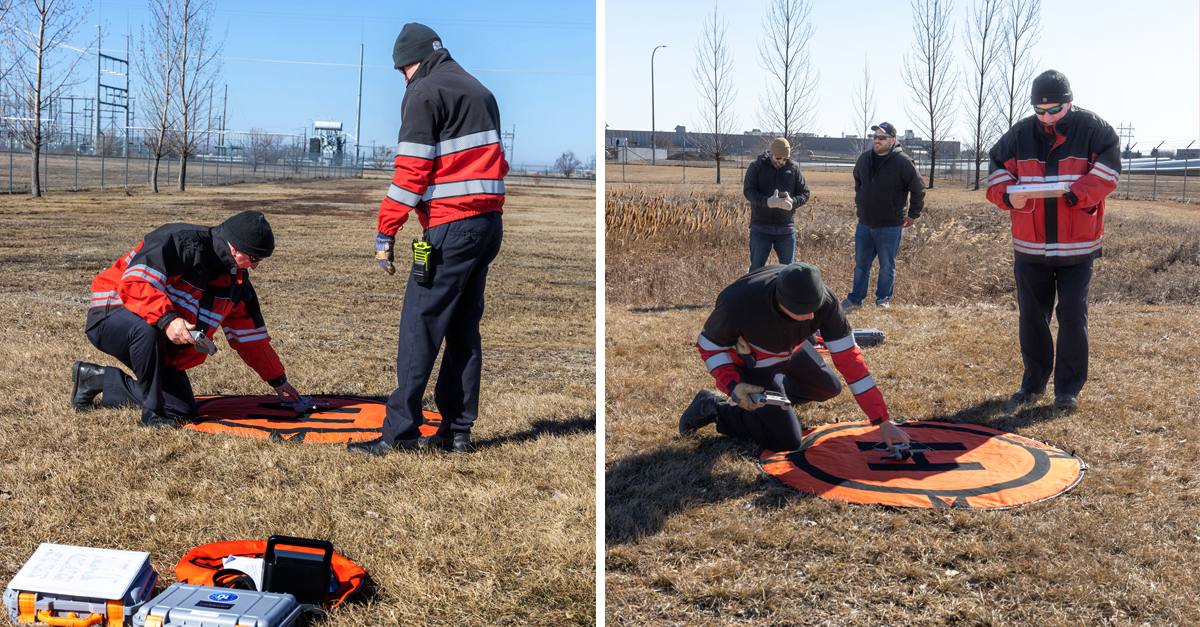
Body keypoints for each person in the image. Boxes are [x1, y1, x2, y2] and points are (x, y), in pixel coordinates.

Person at [353, 22, 508, 455]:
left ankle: (398, 434)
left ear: (412, 61)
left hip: (450, 229)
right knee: (462, 329)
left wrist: (386, 231)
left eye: (401, 69)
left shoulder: (423, 92)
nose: (402, 77)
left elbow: (411, 174)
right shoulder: (480, 91)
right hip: (487, 225)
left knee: (419, 327)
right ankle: (457, 431)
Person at [70, 210, 303, 427]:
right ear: (235, 250)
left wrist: (276, 378)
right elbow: (135, 285)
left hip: (157, 335)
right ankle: (152, 414)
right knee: (149, 327)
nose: (256, 267)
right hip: (112, 313)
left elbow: (250, 338)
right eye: (255, 259)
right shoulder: (180, 240)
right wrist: (168, 320)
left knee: (182, 409)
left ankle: (94, 380)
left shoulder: (237, 283)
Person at [986, 70, 1120, 412]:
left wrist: (1079, 194)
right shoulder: (1019, 134)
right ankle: (1033, 384)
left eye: (1054, 110)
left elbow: (1109, 171)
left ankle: (1068, 389)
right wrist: (1006, 196)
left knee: (1073, 314)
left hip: (1078, 245)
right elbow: (997, 171)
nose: (1046, 116)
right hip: (1030, 246)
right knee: (1032, 316)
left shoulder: (1095, 130)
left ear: (1069, 102)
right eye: (1039, 110)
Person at [681, 262, 911, 453]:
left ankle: (777, 403)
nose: (812, 317)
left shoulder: (826, 303)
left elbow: (850, 359)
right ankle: (715, 408)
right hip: (754, 362)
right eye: (803, 312)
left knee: (828, 388)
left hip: (794, 349)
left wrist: (881, 420)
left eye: (815, 308)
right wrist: (732, 386)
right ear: (780, 302)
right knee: (787, 441)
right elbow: (708, 346)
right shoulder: (739, 303)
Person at [841, 121, 925, 311]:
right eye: (875, 137)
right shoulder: (864, 159)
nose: (877, 141)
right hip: (864, 223)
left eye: (881, 137)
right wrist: (861, 200)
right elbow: (858, 183)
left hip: (890, 225)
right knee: (861, 265)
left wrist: (913, 215)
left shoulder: (903, 162)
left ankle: (883, 300)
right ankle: (855, 300)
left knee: (887, 265)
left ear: (892, 140)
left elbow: (918, 189)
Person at [743, 137, 810, 272]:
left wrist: (793, 202)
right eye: (779, 158)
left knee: (788, 270)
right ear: (771, 153)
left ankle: (783, 293)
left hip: (786, 228)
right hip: (761, 226)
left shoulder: (793, 169)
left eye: (785, 159)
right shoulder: (756, 166)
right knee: (756, 268)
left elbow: (805, 193)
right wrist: (767, 202)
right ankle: (754, 293)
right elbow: (749, 191)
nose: (781, 161)